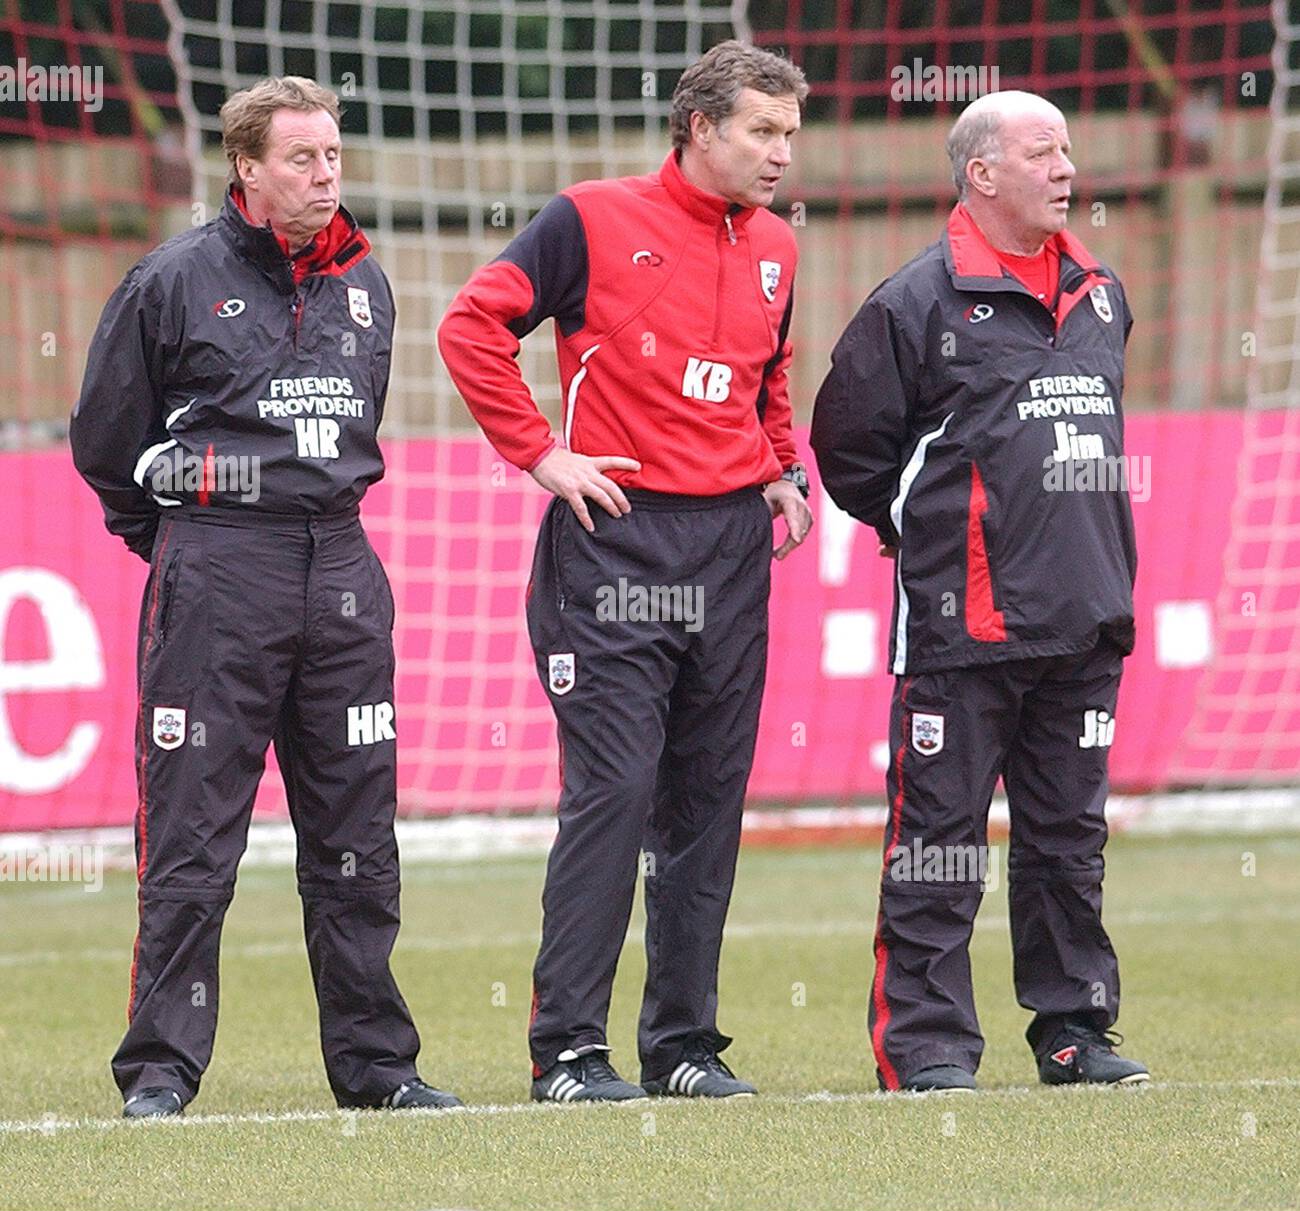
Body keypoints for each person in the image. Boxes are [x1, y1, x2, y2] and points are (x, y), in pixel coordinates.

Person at [70, 76, 461, 1118]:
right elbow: (106, 444)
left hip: (339, 569)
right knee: (195, 837)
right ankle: (159, 1071)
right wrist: (186, 546)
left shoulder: (367, 281)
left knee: (357, 841)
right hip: (216, 575)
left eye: (333, 155)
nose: (325, 174)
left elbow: (357, 422)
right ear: (247, 167)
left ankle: (378, 1067)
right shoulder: (172, 280)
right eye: (302, 158)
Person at [439, 41, 813, 1103]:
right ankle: (566, 1051)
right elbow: (472, 324)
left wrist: (782, 470)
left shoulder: (780, 243)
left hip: (732, 550)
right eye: (761, 131)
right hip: (613, 544)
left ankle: (684, 1046)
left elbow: (768, 370)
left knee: (706, 801)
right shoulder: (590, 219)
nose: (780, 153)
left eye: (789, 133)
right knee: (615, 790)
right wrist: (539, 452)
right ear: (699, 128)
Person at [811, 90, 1149, 1093]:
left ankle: (1072, 1030)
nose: (1064, 169)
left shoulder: (1101, 295)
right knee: (939, 848)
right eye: (1041, 152)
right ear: (982, 174)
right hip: (963, 629)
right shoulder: (912, 304)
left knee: (1067, 844)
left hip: (1085, 620)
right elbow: (849, 454)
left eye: (1067, 150)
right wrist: (927, 537)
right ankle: (925, 1047)